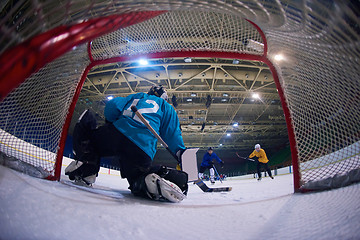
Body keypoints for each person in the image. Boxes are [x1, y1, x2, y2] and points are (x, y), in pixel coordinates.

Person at [65, 85, 188, 203]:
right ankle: (147, 181)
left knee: (90, 141)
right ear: (165, 98)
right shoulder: (167, 107)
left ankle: (87, 170)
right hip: (142, 147)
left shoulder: (138, 96)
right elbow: (173, 134)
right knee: (137, 177)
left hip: (117, 133)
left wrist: (111, 121)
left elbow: (112, 107)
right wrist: (180, 153)